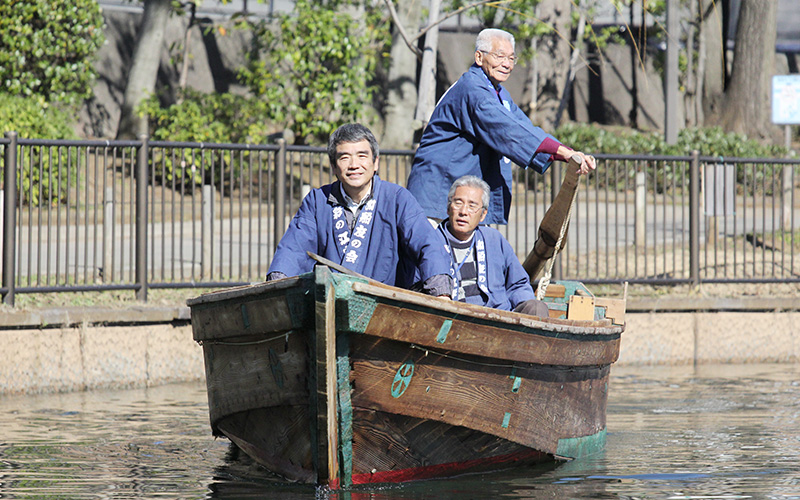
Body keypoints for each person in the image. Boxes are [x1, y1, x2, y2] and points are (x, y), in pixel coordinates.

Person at [407, 28, 596, 225]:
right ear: (479, 57)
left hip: (461, 198)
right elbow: (510, 130)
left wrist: (568, 153)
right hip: (437, 196)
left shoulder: (498, 93)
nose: (506, 64)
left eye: (511, 58)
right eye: (499, 56)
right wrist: (564, 153)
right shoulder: (473, 90)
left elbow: (525, 128)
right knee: (433, 255)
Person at [266, 123, 452, 298]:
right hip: (330, 304)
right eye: (344, 157)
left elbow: (427, 243)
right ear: (333, 166)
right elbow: (294, 248)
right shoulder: (318, 201)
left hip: (388, 305)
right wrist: (277, 286)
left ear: (375, 162)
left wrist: (441, 292)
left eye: (362, 156)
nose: (354, 165)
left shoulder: (396, 198)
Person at [413, 175, 549, 317]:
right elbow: (416, 287)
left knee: (536, 308)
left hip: (498, 317)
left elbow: (518, 283)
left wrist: (524, 305)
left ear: (483, 214)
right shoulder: (430, 242)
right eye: (458, 203)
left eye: (472, 206)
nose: (464, 212)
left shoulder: (494, 239)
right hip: (454, 318)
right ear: (448, 208)